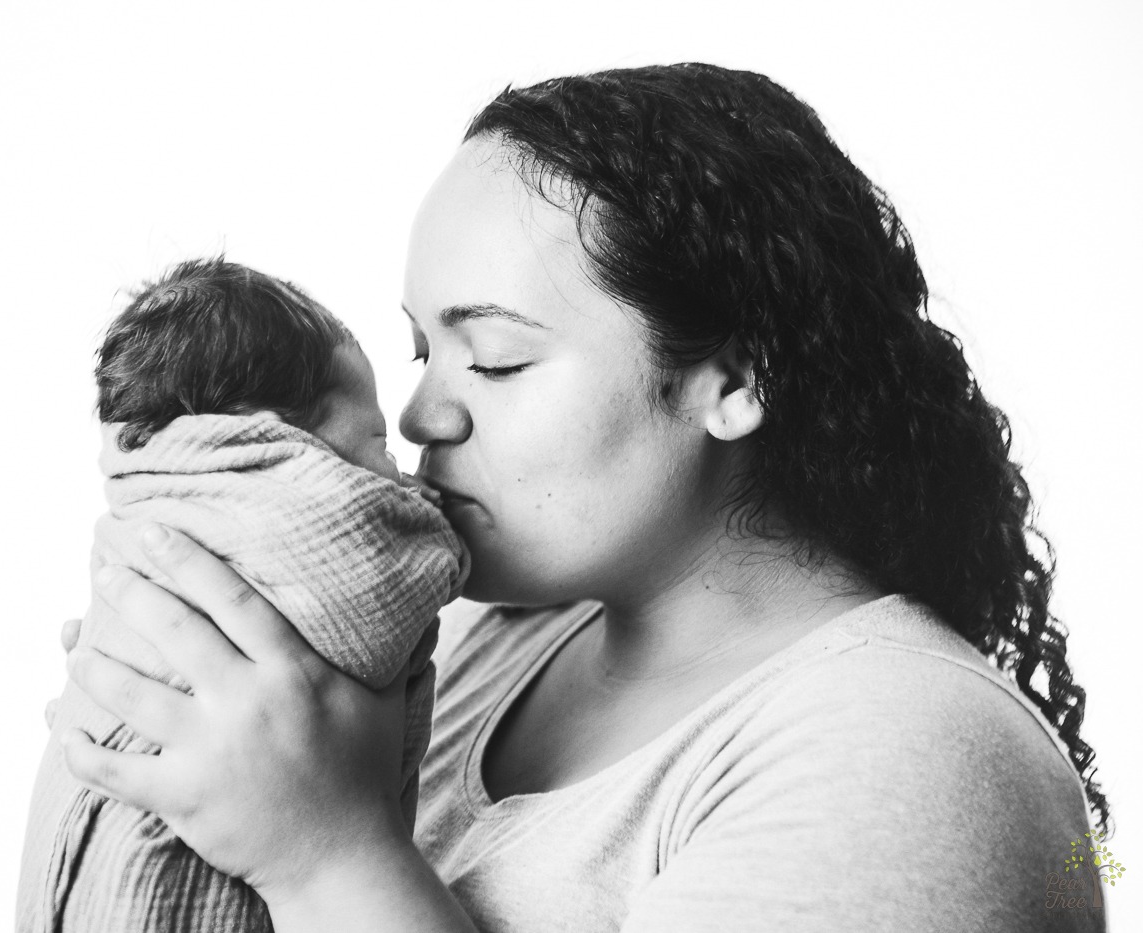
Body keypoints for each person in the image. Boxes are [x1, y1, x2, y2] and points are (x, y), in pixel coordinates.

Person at [54, 64, 1109, 931]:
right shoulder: (479, 636)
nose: (419, 415)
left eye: (498, 360)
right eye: (421, 349)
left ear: (735, 381)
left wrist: (324, 857)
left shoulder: (901, 760)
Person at [18, 257, 468, 932]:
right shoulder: (278, 515)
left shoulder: (149, 501)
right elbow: (388, 591)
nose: (398, 458)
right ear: (264, 436)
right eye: (372, 442)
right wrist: (431, 519)